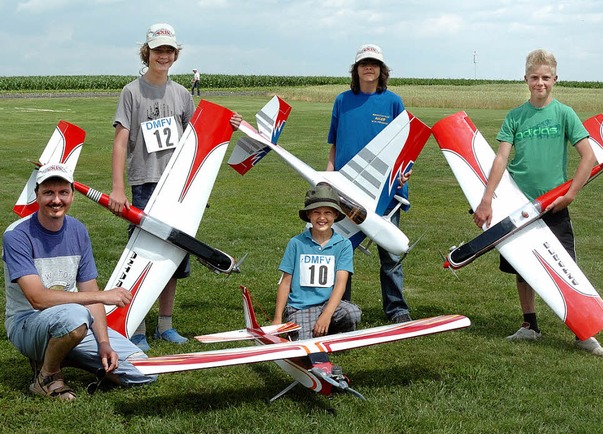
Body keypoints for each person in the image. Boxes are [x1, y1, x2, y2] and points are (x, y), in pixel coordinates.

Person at [108, 23, 242, 350]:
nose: (163, 56)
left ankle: (164, 325)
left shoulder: (182, 94)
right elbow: (120, 142)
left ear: (174, 55)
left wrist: (230, 124)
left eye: (168, 51)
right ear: (147, 53)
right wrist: (117, 188)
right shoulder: (131, 92)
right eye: (157, 51)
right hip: (144, 184)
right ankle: (136, 326)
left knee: (174, 257)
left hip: (178, 189)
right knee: (141, 255)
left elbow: (198, 137)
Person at [473, 49, 603, 356]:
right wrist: (486, 200)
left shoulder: (564, 113)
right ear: (526, 79)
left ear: (555, 80)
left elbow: (589, 156)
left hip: (554, 204)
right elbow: (501, 158)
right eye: (534, 77)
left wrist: (570, 194)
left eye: (546, 77)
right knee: (523, 267)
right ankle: (529, 325)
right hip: (518, 205)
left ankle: (582, 332)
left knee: (567, 266)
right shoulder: (515, 116)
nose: (540, 83)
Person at [2, 163, 157, 401]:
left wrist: (104, 343)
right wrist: (102, 296)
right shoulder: (16, 235)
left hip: (74, 322)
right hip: (27, 323)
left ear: (72, 194)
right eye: (48, 193)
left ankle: (63, 352)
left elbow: (89, 289)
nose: (56, 200)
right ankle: (47, 377)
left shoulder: (78, 230)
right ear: (37, 195)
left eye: (63, 192)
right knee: (75, 315)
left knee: (143, 372)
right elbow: (38, 298)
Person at [327, 43, 412, 323]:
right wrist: (327, 180)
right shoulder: (342, 101)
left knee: (390, 255)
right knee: (342, 251)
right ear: (356, 69)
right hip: (347, 190)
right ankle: (342, 307)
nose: (369, 68)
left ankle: (397, 309)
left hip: (385, 192)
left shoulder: (392, 102)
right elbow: (334, 145)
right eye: (364, 63)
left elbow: (404, 148)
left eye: (374, 64)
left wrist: (403, 174)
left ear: (381, 70)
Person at [272, 184, 361, 340]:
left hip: (329, 305)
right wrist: (277, 319)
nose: (322, 218)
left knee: (352, 313)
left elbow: (341, 283)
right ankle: (313, 332)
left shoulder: (343, 245)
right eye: (316, 212)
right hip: (300, 308)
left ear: (335, 215)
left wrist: (326, 315)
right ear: (308, 215)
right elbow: (285, 283)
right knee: (303, 343)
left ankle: (330, 331)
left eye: (327, 213)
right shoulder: (296, 243)